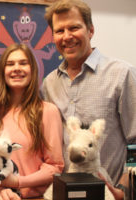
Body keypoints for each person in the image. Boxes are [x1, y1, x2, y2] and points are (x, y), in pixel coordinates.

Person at [41, 0, 136, 199]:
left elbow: (135, 143)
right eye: (59, 31)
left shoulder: (121, 74)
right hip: (64, 193)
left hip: (108, 194)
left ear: (90, 30)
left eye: (74, 27)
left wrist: (124, 191)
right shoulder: (48, 84)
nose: (67, 36)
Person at [0, 43, 64, 199]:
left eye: (23, 63)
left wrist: (17, 182)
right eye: (10, 64)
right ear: (3, 71)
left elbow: (55, 167)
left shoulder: (48, 112)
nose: (16, 68)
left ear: (33, 70)